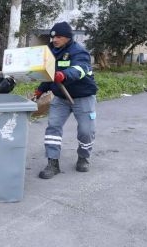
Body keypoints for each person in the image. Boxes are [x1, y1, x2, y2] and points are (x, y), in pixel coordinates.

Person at [34, 21, 98, 179]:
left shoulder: (79, 52)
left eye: (59, 37)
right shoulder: (52, 51)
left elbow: (80, 69)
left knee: (86, 131)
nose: (55, 40)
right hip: (61, 97)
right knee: (53, 128)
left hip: (83, 97)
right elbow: (50, 73)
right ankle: (52, 162)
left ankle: (83, 157)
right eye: (53, 37)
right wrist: (42, 88)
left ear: (68, 37)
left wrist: (65, 75)